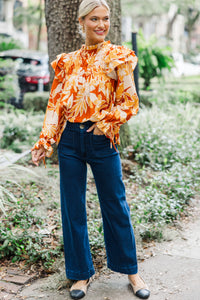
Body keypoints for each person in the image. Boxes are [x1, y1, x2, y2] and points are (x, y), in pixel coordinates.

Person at [31, 0, 150, 299]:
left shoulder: (117, 56)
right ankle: (80, 275)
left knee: (115, 205)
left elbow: (130, 102)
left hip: (102, 140)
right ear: (81, 22)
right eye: (94, 19)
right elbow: (56, 104)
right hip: (70, 140)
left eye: (106, 19)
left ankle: (131, 271)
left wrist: (105, 120)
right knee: (72, 208)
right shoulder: (67, 61)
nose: (101, 24)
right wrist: (45, 142)